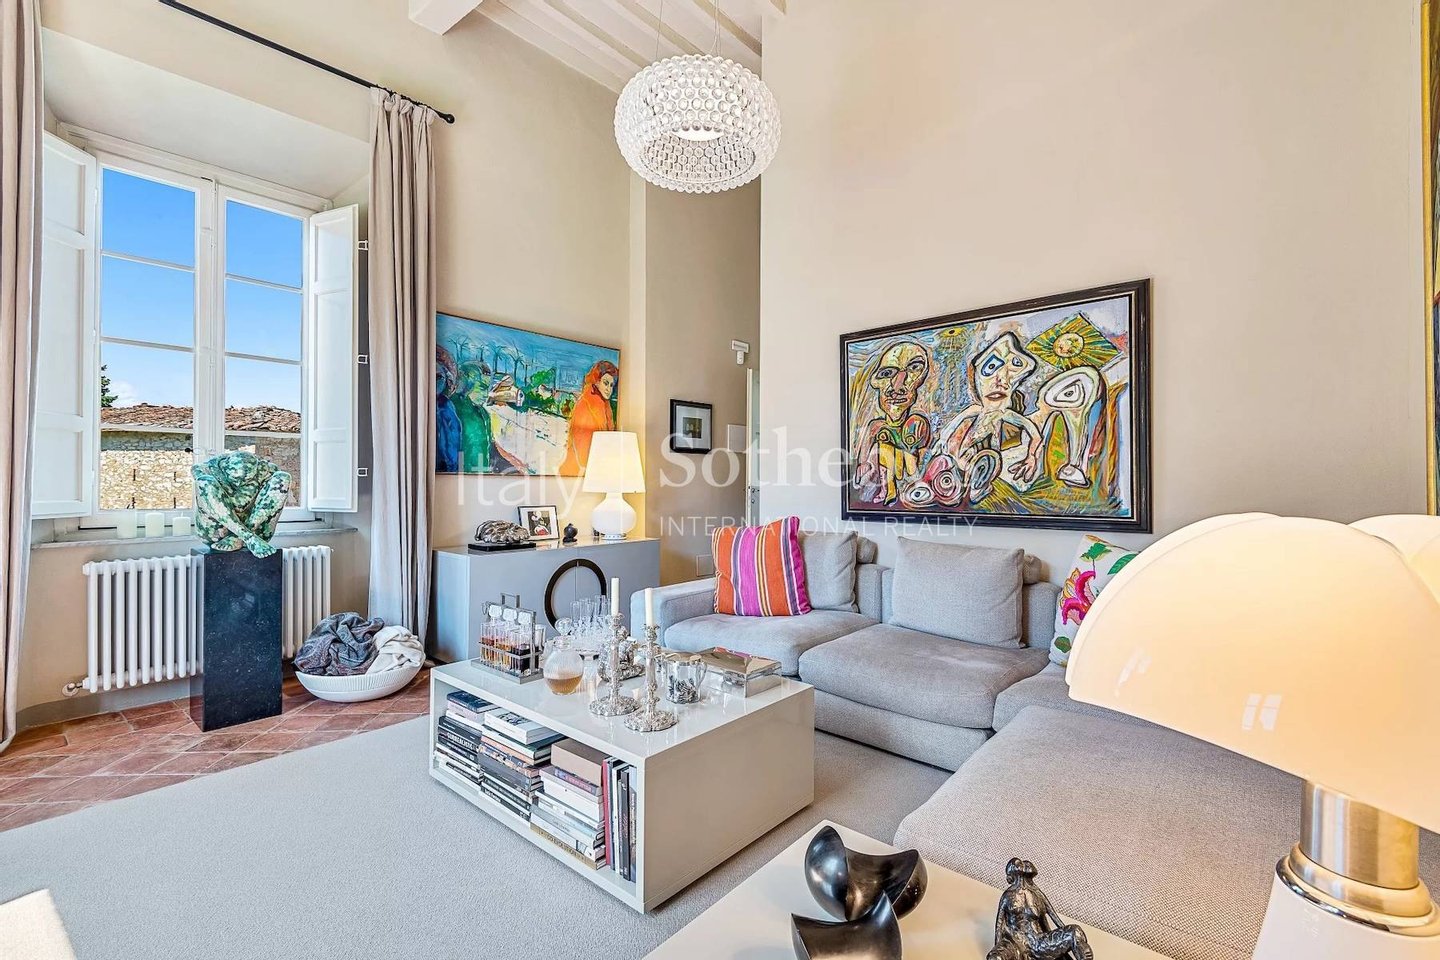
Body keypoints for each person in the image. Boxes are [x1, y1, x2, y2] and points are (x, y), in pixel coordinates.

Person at [558, 360, 618, 476]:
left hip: (593, 470)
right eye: (605, 383)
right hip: (578, 471)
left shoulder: (605, 405)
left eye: (611, 385)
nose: (609, 389)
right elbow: (581, 445)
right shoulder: (586, 404)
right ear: (596, 381)